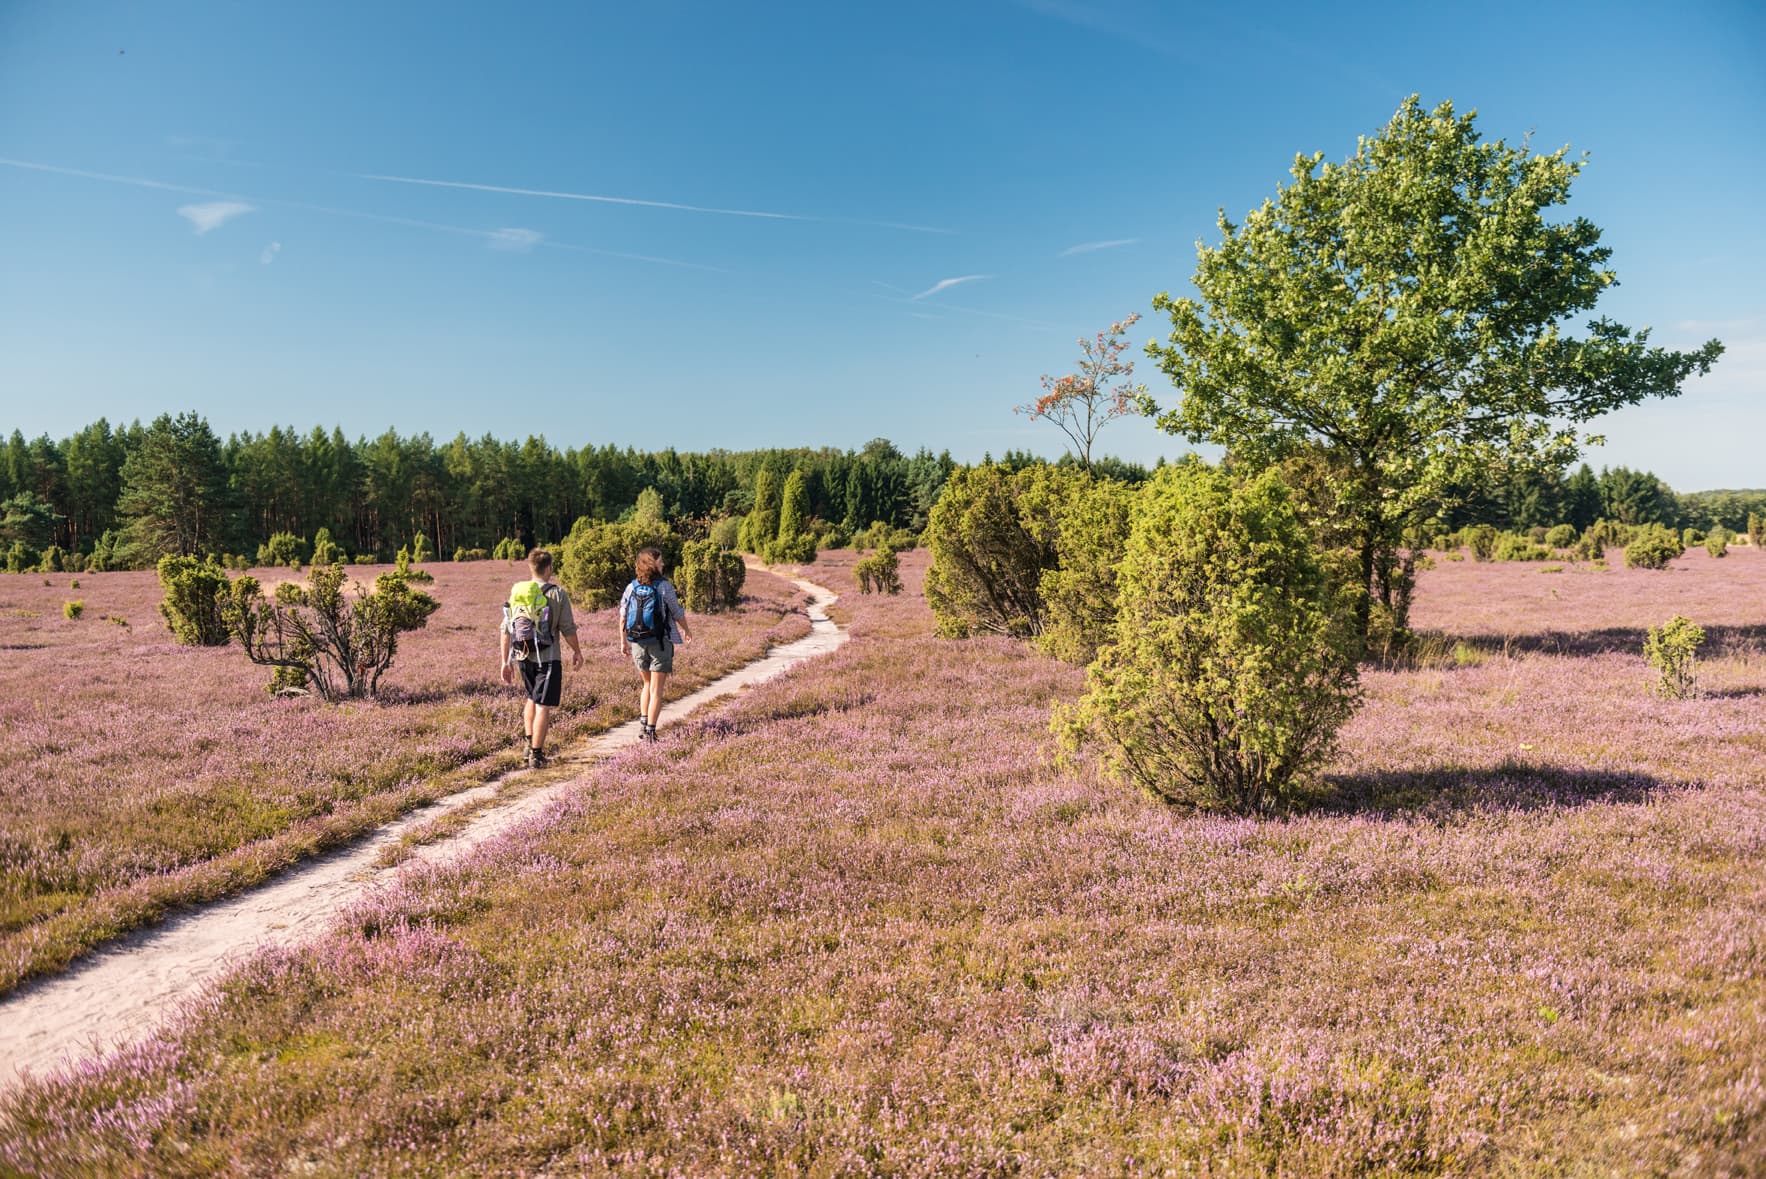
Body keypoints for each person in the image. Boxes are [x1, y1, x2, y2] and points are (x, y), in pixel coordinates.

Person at [500, 548, 582, 769]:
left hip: (522, 656)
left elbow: (506, 628)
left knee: (531, 698)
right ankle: (536, 755)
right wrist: (577, 651)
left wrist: (505, 661)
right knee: (544, 705)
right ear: (549, 568)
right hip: (548, 658)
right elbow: (567, 628)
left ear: (531, 567)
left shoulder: (518, 592)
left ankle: (528, 744)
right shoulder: (557, 594)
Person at [618, 546, 692, 742]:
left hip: (637, 642)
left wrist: (623, 642)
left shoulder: (631, 586)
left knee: (646, 684)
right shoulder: (664, 586)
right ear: (653, 563)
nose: (663, 564)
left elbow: (623, 617)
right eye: (660, 561)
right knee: (656, 690)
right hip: (660, 642)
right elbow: (676, 612)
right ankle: (651, 731)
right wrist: (686, 629)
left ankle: (643, 725)